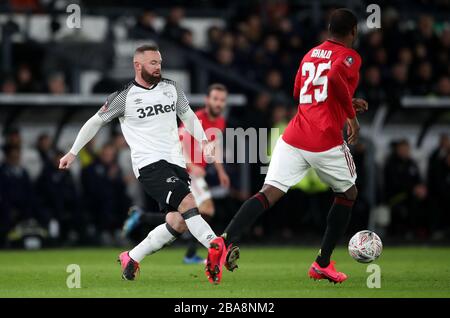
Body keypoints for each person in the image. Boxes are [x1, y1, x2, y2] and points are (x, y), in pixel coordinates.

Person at [206, 8, 368, 284]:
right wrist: (351, 119)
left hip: (294, 136)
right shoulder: (350, 56)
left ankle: (223, 241)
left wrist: (345, 105)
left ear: (329, 29)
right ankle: (322, 263)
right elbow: (335, 82)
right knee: (348, 193)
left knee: (268, 193)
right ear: (353, 31)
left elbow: (299, 93)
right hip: (324, 139)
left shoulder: (309, 54)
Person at [59, 44, 227, 284]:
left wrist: (204, 141)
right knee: (189, 203)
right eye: (152, 63)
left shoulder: (172, 88)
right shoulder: (124, 97)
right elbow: (95, 122)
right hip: (149, 164)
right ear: (137, 65)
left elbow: (188, 116)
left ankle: (131, 256)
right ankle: (215, 245)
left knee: (178, 222)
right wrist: (73, 152)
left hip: (176, 163)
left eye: (159, 62)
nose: (158, 67)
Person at [122, 83, 230, 264]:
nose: (219, 103)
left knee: (183, 217)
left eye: (222, 100)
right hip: (183, 170)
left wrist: (221, 171)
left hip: (196, 172)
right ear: (207, 100)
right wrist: (191, 165)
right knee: (204, 210)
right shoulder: (197, 119)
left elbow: (214, 146)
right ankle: (196, 254)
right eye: (215, 99)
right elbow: (177, 144)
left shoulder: (220, 122)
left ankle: (142, 218)